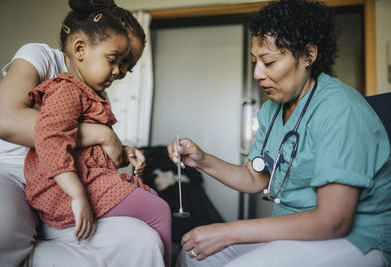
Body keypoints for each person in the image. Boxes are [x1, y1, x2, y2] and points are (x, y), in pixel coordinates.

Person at [167, 0, 391, 266]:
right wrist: (202, 160)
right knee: (192, 259)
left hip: (356, 238)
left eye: (269, 62)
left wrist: (227, 232)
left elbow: (333, 221)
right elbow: (256, 177)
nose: (257, 74)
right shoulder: (272, 110)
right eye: (254, 61)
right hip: (291, 229)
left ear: (308, 55)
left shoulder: (340, 109)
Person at [0, 1, 167, 266]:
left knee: (142, 239)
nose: (120, 72)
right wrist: (101, 134)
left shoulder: (96, 91)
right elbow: (6, 122)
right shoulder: (43, 58)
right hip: (14, 171)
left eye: (127, 66)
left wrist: (120, 147)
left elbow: (92, 151)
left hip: (68, 177)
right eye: (118, 58)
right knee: (0, 232)